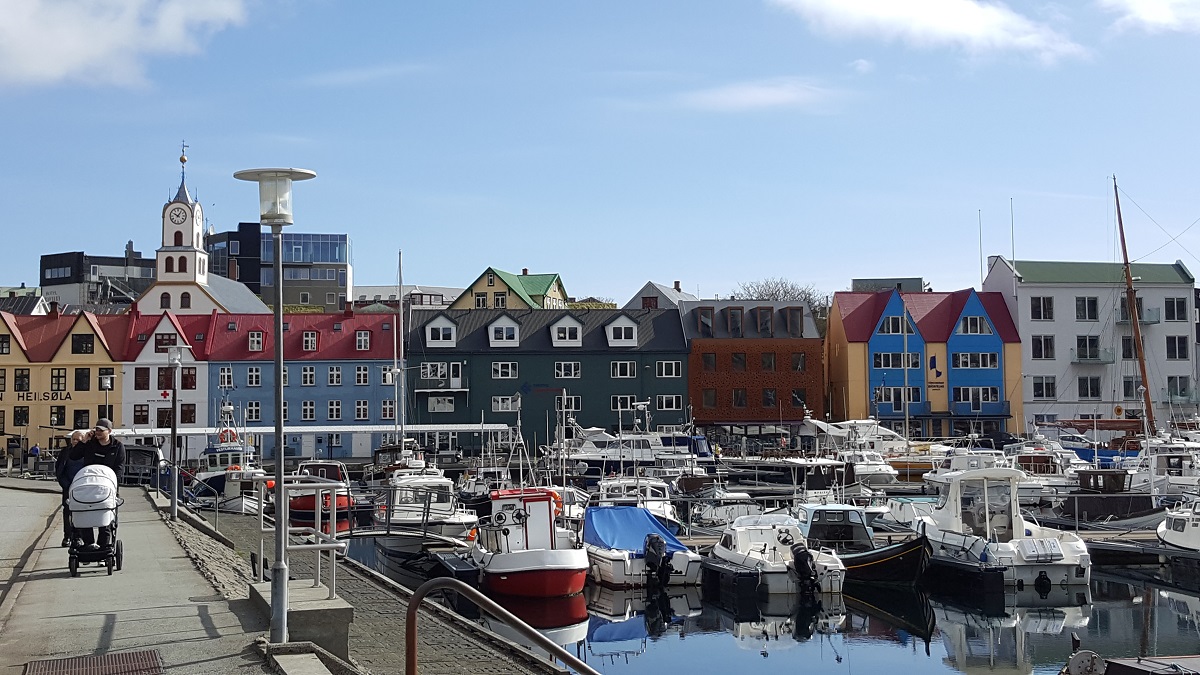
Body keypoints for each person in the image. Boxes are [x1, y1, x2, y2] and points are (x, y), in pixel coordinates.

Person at [72, 419, 125, 549]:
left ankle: (104, 547)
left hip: (107, 486)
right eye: (96, 430)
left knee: (105, 518)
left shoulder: (117, 446)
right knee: (85, 513)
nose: (98, 432)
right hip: (88, 485)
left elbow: (119, 467)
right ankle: (89, 544)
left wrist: (114, 485)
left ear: (109, 431)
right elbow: (74, 456)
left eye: (101, 430)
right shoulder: (90, 444)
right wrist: (83, 441)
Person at [54, 431, 88, 547]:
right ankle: (67, 536)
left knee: (80, 512)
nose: (75, 442)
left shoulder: (86, 452)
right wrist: (65, 484)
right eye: (73, 439)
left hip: (82, 487)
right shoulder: (65, 452)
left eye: (78, 440)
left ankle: (78, 537)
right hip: (68, 486)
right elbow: (59, 469)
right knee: (67, 512)